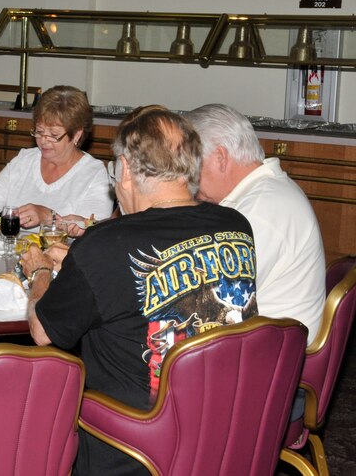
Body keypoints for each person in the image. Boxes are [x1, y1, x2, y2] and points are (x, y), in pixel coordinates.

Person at [22, 105, 258, 476]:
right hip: (225, 429)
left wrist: (39, 273)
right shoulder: (236, 225)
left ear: (126, 169)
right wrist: (83, 266)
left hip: (134, 449)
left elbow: (42, 331)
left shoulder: (104, 245)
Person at [186, 103, 325, 344]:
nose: (186, 177)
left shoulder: (259, 210)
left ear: (220, 157)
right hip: (266, 342)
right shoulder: (264, 192)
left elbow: (208, 299)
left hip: (270, 358)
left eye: (191, 164)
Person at [0, 85, 113, 230]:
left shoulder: (93, 173)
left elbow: (94, 230)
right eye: (39, 131)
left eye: (53, 135)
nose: (43, 140)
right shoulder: (25, 160)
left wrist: (48, 217)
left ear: (77, 135)